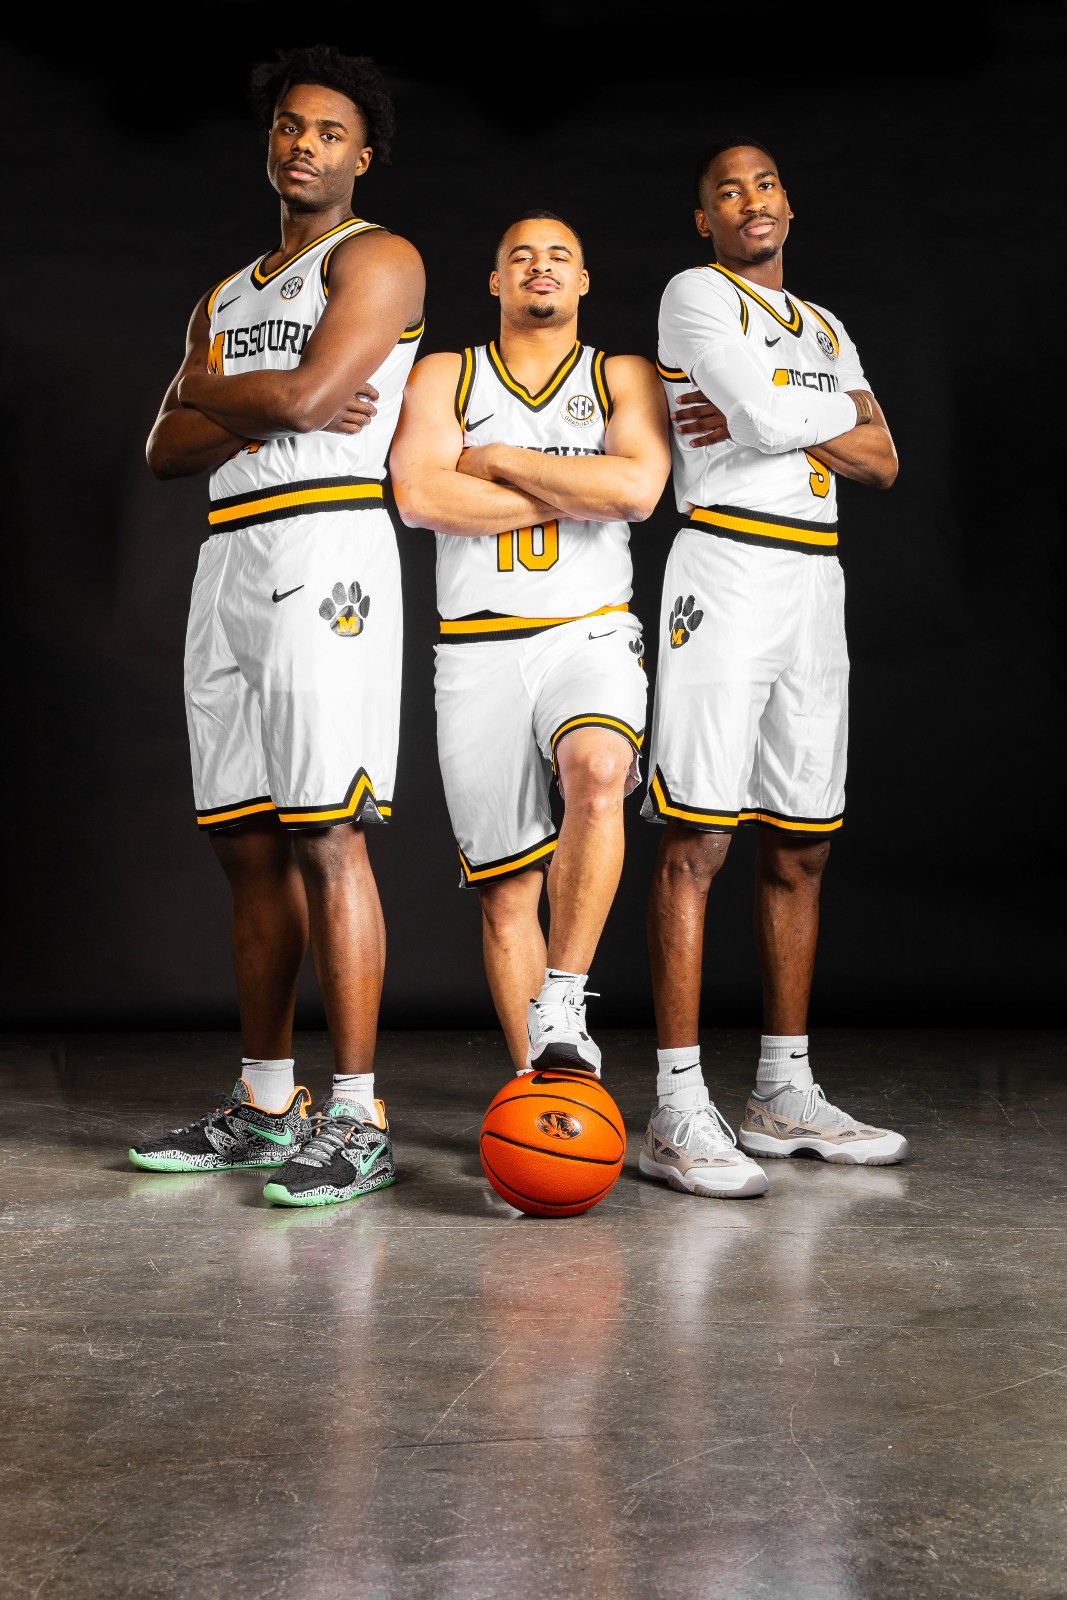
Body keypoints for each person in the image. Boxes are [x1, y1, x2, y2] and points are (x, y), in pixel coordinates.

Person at [130, 44, 426, 1208]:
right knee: (246, 843)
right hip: (228, 555)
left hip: (326, 549)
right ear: (270, 141)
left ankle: (356, 1118)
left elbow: (311, 400)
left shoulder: (379, 259)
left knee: (327, 834)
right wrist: (257, 399)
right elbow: (164, 450)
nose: (305, 145)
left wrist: (212, 390)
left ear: (363, 156)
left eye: (329, 132)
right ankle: (263, 1105)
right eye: (290, 127)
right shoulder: (224, 295)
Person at [638, 137, 908, 1199]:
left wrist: (790, 422)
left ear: (787, 206)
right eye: (725, 190)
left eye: (763, 185)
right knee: (698, 837)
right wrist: (830, 417)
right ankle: (674, 1106)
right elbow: (767, 422)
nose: (748, 200)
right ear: (702, 218)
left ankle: (781, 1093)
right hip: (726, 566)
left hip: (811, 580)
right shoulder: (695, 294)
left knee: (801, 843)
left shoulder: (824, 326)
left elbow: (886, 462)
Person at [389, 212, 670, 1079]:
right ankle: (534, 1094)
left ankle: (564, 995)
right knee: (507, 890)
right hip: (475, 649)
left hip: (589, 631)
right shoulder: (446, 372)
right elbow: (421, 499)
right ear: (495, 282)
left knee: (597, 770)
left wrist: (499, 458)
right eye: (520, 256)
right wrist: (578, 490)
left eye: (558, 256)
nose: (539, 267)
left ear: (582, 281)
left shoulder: (619, 373)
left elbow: (637, 491)